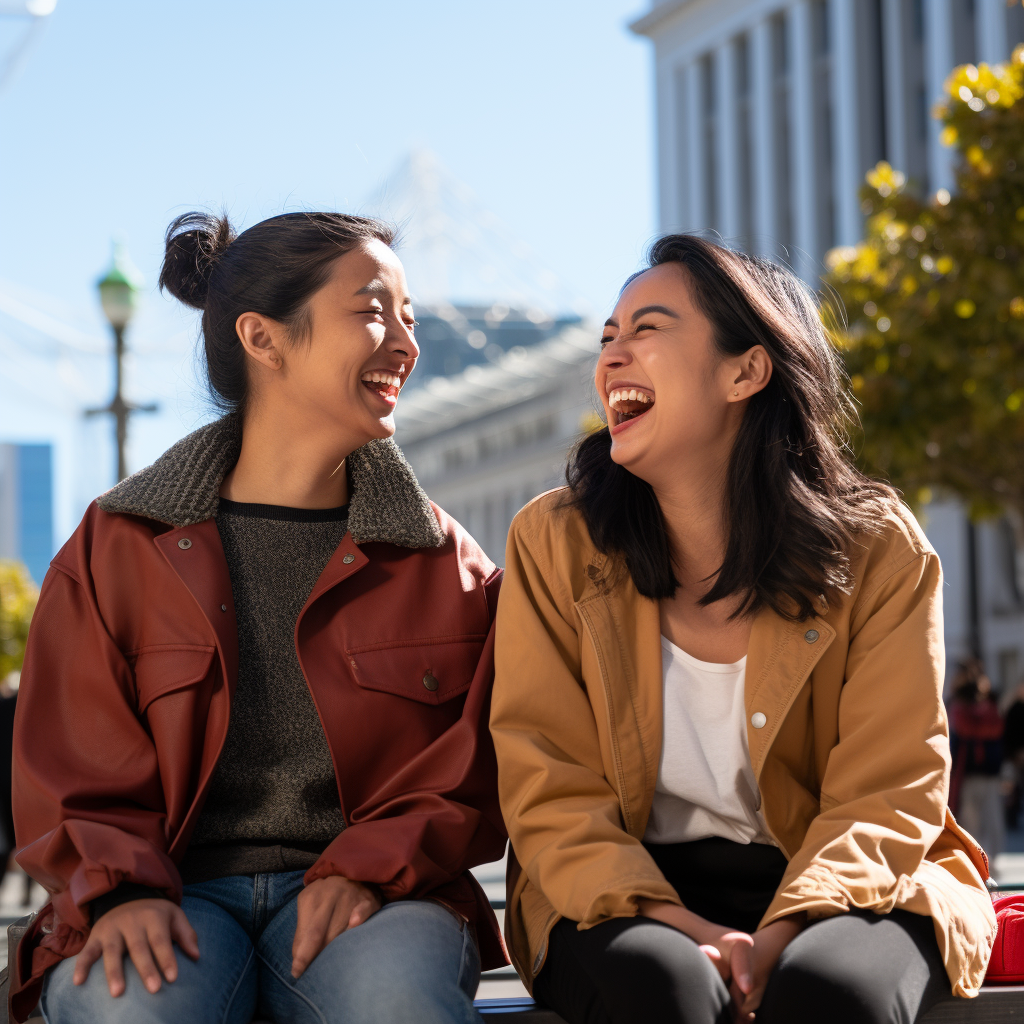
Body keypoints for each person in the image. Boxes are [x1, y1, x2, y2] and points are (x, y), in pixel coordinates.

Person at [11, 211, 506, 1024]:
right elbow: (67, 763)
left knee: (396, 1004)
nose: (406, 343)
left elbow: (470, 767)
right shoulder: (117, 544)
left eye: (410, 317)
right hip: (167, 893)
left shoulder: (447, 562)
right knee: (138, 1009)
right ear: (263, 338)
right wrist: (121, 891)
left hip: (374, 897)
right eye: (374, 309)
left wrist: (371, 868)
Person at [490, 235, 996, 1024]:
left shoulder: (878, 548)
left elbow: (890, 788)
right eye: (607, 338)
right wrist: (688, 928)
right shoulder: (554, 542)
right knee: (667, 989)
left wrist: (784, 931)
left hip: (851, 878)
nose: (613, 356)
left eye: (647, 329)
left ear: (746, 370)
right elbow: (547, 785)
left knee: (831, 992)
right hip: (623, 890)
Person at [948, 660, 1006, 858]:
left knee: (993, 822)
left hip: (988, 773)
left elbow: (996, 728)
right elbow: (965, 727)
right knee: (970, 822)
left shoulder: (990, 703)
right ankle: (975, 859)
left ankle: (990, 860)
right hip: (968, 774)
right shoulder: (958, 703)